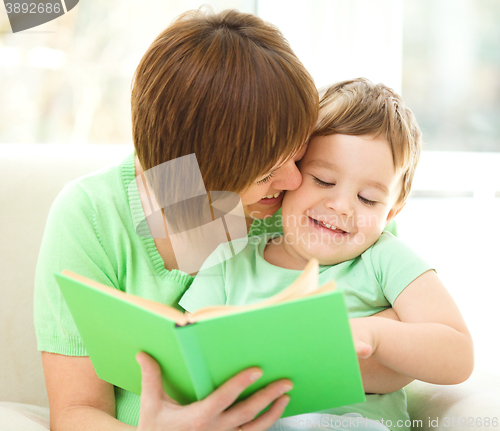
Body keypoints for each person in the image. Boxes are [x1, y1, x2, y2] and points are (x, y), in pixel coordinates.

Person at [34, 9, 411, 430]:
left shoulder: (312, 204)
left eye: (296, 152)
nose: (292, 178)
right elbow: (75, 412)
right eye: (266, 172)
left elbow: (406, 344)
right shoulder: (91, 218)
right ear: (200, 177)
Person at [180, 78, 474, 431]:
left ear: (392, 212)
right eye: (322, 180)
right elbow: (187, 351)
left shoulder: (384, 258)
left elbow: (458, 355)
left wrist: (374, 335)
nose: (341, 206)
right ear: (290, 175)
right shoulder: (230, 261)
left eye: (367, 199)